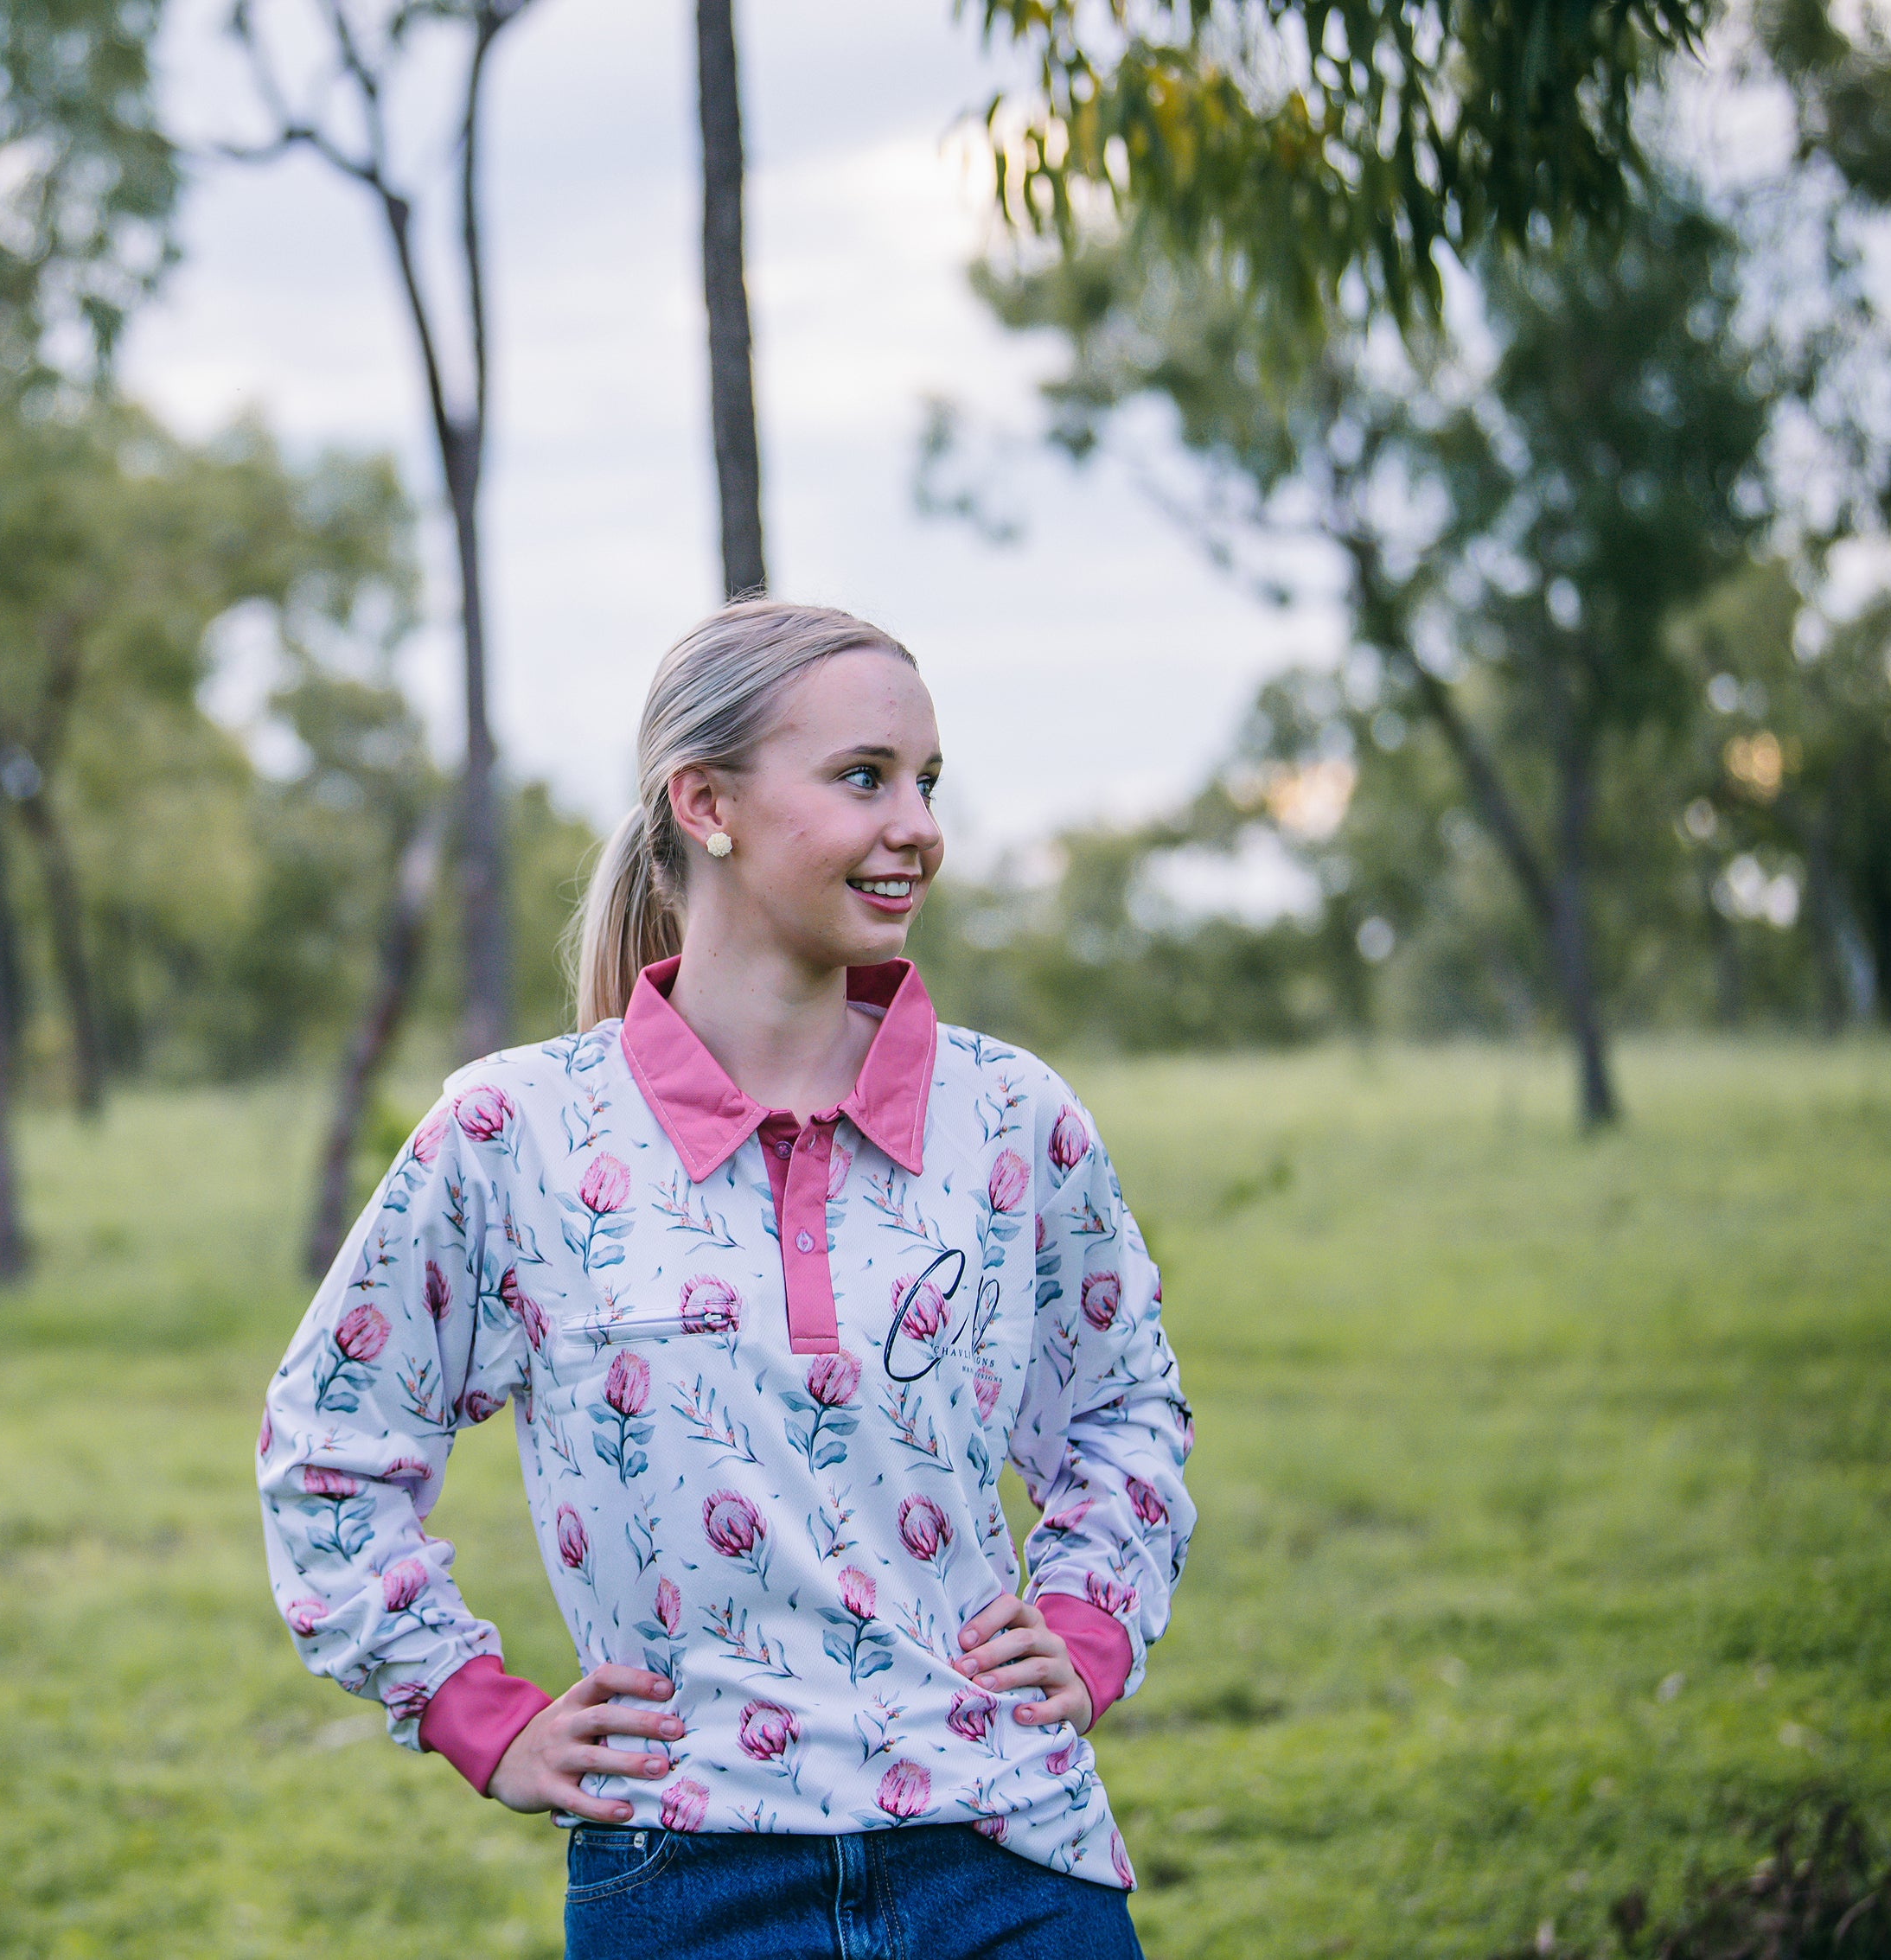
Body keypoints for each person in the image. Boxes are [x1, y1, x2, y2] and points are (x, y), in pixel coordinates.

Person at [256, 600, 1193, 1959]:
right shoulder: (513, 1137)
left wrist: (1089, 1620)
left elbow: (1122, 1410)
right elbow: (329, 1448)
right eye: (864, 777)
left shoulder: (1011, 1117)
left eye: (928, 783)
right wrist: (475, 1709)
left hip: (1012, 1857)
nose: (919, 824)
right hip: (685, 1886)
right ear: (707, 804)